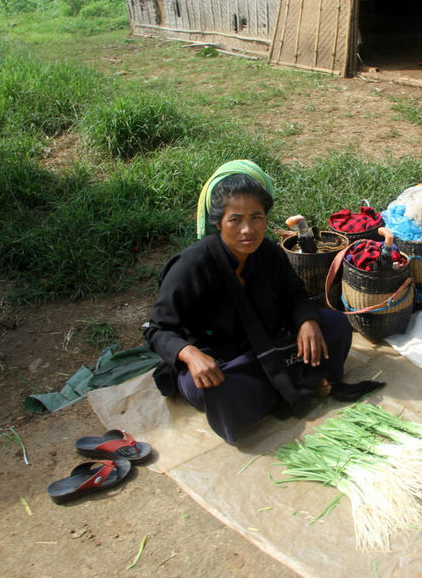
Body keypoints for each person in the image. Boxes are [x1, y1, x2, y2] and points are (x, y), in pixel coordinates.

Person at [144, 160, 355, 443]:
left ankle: (279, 388)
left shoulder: (270, 253)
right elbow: (157, 329)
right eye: (236, 219)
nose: (248, 230)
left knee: (336, 324)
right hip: (221, 360)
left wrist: (306, 320)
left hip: (265, 346)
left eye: (257, 217)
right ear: (218, 222)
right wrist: (190, 355)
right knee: (212, 387)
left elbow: (295, 295)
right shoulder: (192, 265)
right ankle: (301, 382)